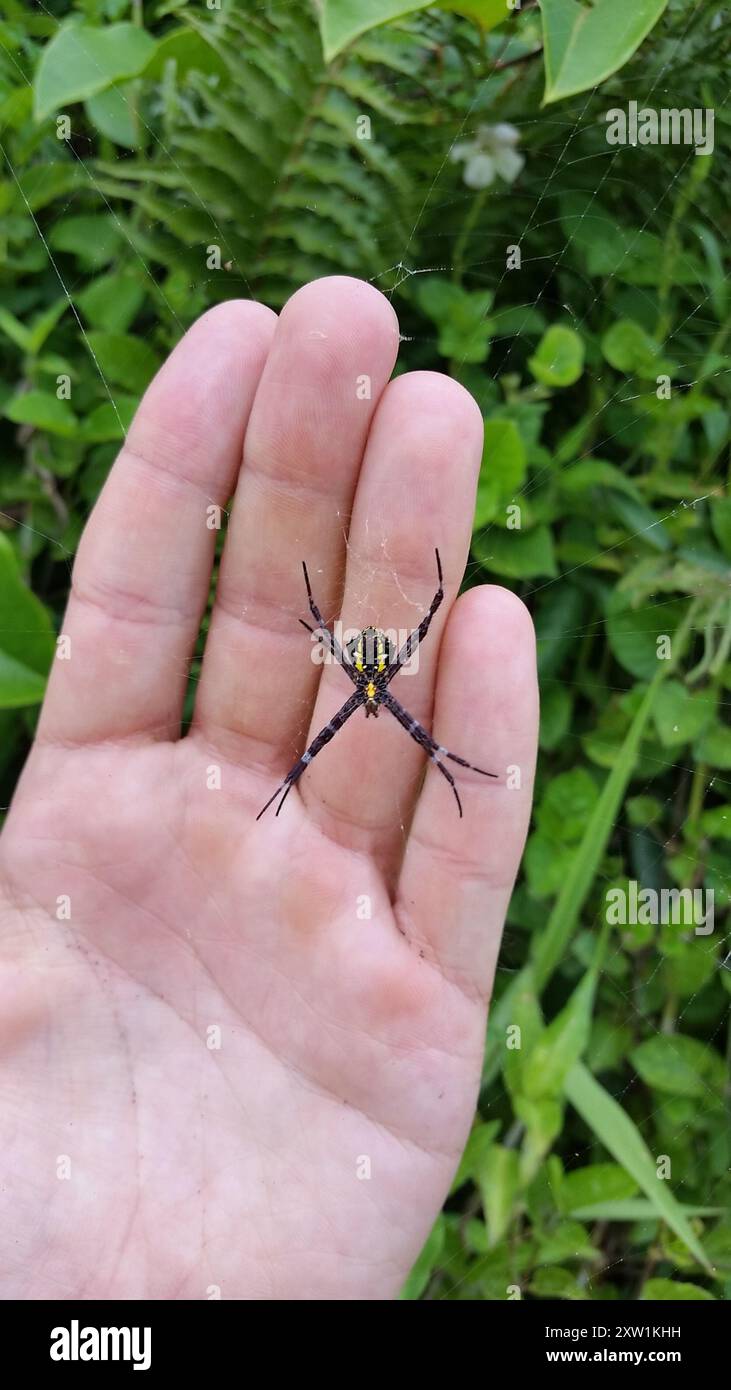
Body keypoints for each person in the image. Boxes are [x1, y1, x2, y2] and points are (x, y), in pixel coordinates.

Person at [0, 277, 537, 1300]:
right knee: (383, 749)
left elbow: (395, 630)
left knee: (410, 745)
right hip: (368, 662)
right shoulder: (370, 678)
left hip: (370, 660)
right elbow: (329, 625)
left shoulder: (368, 681)